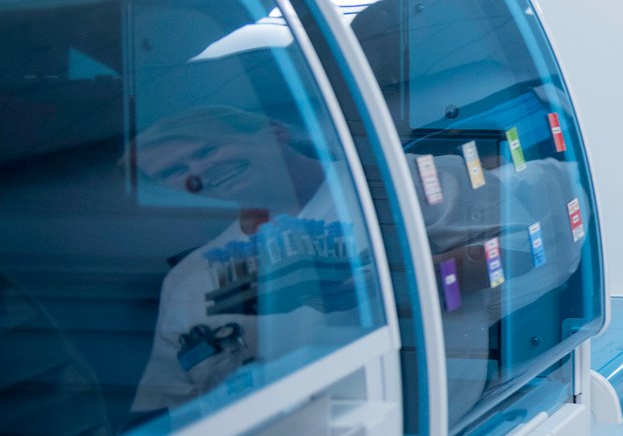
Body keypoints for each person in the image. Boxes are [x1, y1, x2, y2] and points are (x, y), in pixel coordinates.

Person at [128, 104, 587, 419]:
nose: (195, 175)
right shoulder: (193, 279)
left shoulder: (403, 186)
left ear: (274, 131)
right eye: (172, 173)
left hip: (435, 435)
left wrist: (402, 287)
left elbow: (532, 247)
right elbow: (170, 407)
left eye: (206, 150)